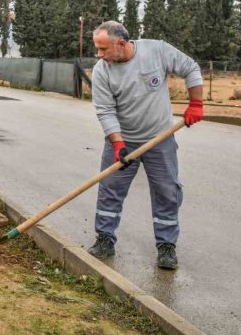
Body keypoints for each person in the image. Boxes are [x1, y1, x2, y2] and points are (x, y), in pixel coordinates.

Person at [87, 20, 203, 269]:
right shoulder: (101, 71)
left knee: (167, 192)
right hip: (122, 140)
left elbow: (191, 68)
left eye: (103, 49)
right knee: (110, 190)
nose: (99, 54)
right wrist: (118, 144)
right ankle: (105, 239)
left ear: (121, 43)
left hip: (159, 139)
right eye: (97, 49)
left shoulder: (156, 51)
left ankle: (166, 246)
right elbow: (105, 111)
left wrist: (196, 103)